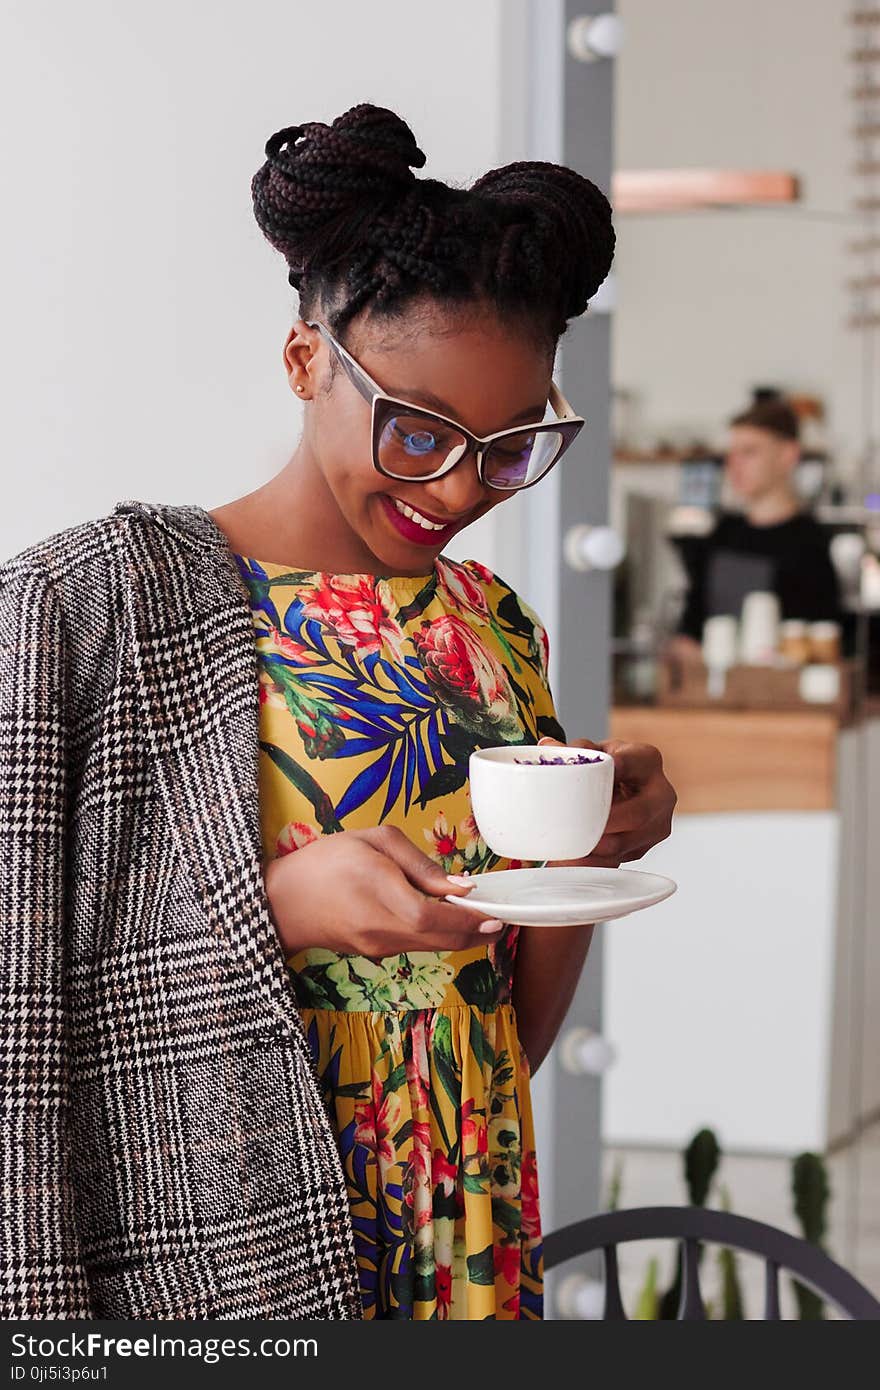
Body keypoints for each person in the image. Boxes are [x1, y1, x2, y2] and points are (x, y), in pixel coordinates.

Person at [1, 104, 676, 1321]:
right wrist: (277, 908)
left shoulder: (491, 625)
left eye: (511, 444)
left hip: (469, 1207)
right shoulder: (94, 604)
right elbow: (21, 966)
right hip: (228, 1232)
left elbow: (504, 1017)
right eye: (418, 429)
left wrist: (586, 847)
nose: (460, 487)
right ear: (308, 358)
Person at [670, 396, 842, 658]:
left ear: (788, 455)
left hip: (777, 692)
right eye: (732, 454)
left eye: (749, 452)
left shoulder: (810, 543)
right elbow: (692, 622)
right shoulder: (722, 533)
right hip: (709, 690)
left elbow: (819, 641)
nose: (734, 465)